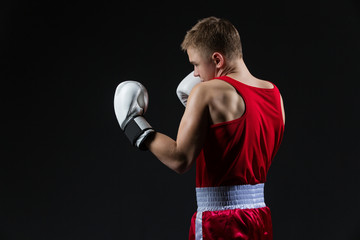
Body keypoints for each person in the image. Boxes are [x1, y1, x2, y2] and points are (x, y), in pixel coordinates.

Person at [114, 17, 285, 240]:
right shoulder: (274, 94)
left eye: (195, 64)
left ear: (217, 59)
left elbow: (180, 159)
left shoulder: (206, 92)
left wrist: (133, 125)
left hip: (219, 222)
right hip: (259, 219)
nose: (195, 73)